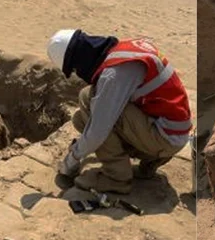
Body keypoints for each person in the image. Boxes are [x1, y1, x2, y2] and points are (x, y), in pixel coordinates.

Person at [47, 29, 192, 194]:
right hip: (173, 129)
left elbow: (97, 132)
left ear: (78, 59)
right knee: (82, 118)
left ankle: (116, 178)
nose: (77, 73)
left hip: (166, 137)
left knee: (90, 101)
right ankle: (150, 161)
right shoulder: (123, 49)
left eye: (73, 68)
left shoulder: (114, 74)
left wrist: (70, 162)